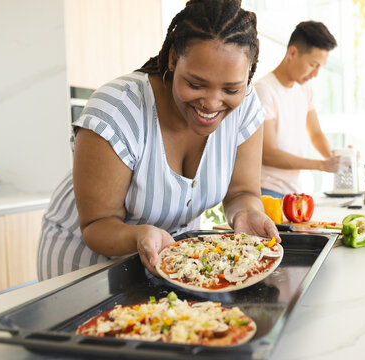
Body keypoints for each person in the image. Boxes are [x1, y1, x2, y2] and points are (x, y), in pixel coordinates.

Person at [37, 0, 280, 281]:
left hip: (172, 260)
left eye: (231, 88)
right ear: (174, 58)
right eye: (196, 84)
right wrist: (141, 234)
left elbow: (241, 193)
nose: (212, 103)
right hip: (87, 265)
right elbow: (96, 224)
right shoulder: (117, 109)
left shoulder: (247, 107)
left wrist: (246, 214)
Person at [255, 21, 350, 198]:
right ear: (292, 52)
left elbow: (315, 134)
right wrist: (322, 165)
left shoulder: (304, 88)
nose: (316, 73)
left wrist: (337, 159)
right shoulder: (264, 90)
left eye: (320, 66)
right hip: (266, 192)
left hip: (293, 191)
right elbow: (268, 154)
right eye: (313, 64)